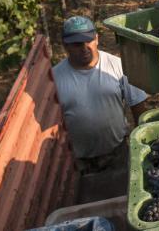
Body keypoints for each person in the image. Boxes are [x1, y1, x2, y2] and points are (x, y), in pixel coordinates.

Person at [51, 16, 148, 174]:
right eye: (77, 44)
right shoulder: (55, 78)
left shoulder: (118, 66)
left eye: (88, 41)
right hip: (79, 161)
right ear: (65, 45)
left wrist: (144, 143)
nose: (84, 48)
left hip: (117, 153)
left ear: (96, 39)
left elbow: (138, 106)